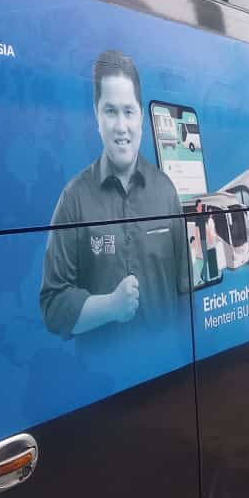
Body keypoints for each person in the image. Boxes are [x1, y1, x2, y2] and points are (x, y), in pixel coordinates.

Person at [40, 50, 188, 339]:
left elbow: (186, 290)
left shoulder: (166, 191)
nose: (121, 127)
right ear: (96, 116)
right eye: (110, 111)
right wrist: (110, 307)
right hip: (105, 368)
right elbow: (53, 306)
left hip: (169, 362)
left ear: (141, 116)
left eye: (128, 111)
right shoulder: (74, 199)